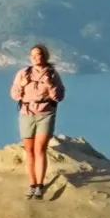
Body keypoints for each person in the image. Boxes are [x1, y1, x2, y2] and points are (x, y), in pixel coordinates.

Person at [10, 44, 66, 200]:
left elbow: (59, 97)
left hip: (45, 114)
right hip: (26, 114)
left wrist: (49, 84)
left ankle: (40, 186)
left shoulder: (53, 74)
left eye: (38, 54)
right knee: (29, 151)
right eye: (32, 55)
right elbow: (14, 95)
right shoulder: (23, 73)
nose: (35, 57)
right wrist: (22, 85)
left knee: (39, 149)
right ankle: (32, 184)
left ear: (44, 56)